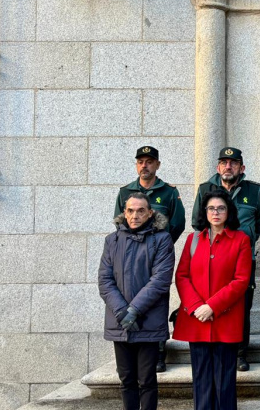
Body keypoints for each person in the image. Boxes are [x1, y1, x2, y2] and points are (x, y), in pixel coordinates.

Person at [191, 147, 260, 372]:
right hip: (212, 258)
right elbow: (198, 222)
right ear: (218, 167)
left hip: (242, 259)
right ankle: (213, 348)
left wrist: (247, 237)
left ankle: (239, 353)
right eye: (224, 162)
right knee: (212, 300)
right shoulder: (206, 189)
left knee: (242, 305)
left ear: (241, 168)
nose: (228, 166)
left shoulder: (253, 190)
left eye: (233, 163)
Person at [174, 189, 252, 410]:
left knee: (225, 381)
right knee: (201, 378)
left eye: (221, 208)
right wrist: (198, 307)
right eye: (211, 208)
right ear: (204, 212)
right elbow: (182, 276)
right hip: (196, 319)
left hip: (225, 320)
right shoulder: (193, 239)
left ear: (228, 212)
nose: (215, 212)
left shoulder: (241, 240)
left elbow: (241, 280)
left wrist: (212, 306)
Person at [98, 193, 175, 410]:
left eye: (141, 210)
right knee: (126, 380)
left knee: (147, 380)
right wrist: (123, 311)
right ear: (124, 212)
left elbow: (160, 280)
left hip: (148, 321)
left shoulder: (162, 239)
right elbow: (105, 279)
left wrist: (135, 310)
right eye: (130, 210)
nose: (135, 215)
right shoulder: (112, 241)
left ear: (150, 213)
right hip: (120, 321)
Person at [113, 145, 186, 373]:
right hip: (131, 256)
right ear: (136, 165)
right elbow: (119, 222)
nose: (145, 165)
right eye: (141, 161)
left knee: (156, 299)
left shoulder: (169, 192)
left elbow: (179, 222)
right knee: (131, 297)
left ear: (157, 165)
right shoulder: (125, 192)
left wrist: (159, 245)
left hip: (157, 255)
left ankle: (158, 351)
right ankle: (133, 347)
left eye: (149, 161)